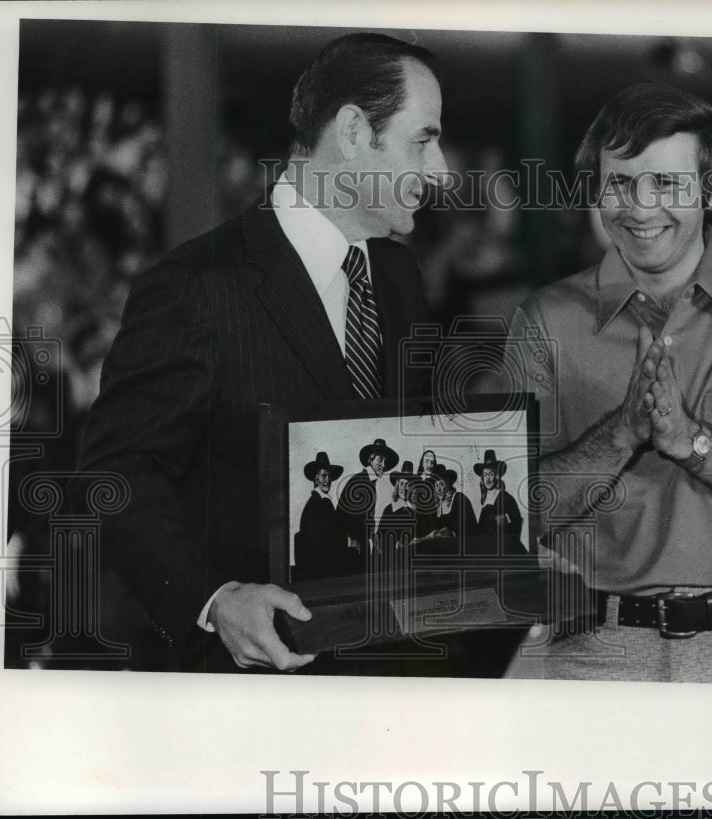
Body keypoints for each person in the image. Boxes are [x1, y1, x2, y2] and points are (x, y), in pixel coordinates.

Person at [70, 33, 448, 672]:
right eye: (423, 141)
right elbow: (117, 472)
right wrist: (215, 600)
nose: (439, 171)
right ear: (354, 131)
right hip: (248, 680)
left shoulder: (399, 277)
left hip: (385, 666)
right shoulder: (198, 285)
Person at [507, 83, 712, 684]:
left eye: (665, 183)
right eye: (619, 182)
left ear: (711, 190)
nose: (639, 207)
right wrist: (620, 434)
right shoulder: (546, 320)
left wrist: (692, 442)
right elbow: (511, 512)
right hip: (595, 653)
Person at [293, 452, 352, 581]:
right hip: (322, 571)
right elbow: (321, 542)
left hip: (325, 567)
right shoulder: (317, 504)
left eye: (329, 476)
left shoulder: (323, 501)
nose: (327, 480)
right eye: (324, 476)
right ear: (315, 479)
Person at [337, 437, 400, 559]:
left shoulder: (370, 482)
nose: (383, 465)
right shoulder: (360, 480)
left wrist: (373, 536)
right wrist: (352, 539)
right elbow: (348, 515)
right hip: (351, 543)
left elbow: (366, 517)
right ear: (370, 460)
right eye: (380, 460)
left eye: (385, 461)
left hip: (362, 540)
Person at [474, 450, 523, 547]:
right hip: (485, 546)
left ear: (496, 476)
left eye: (491, 474)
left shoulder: (505, 497)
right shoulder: (485, 499)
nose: (488, 479)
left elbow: (517, 520)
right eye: (485, 475)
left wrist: (506, 518)